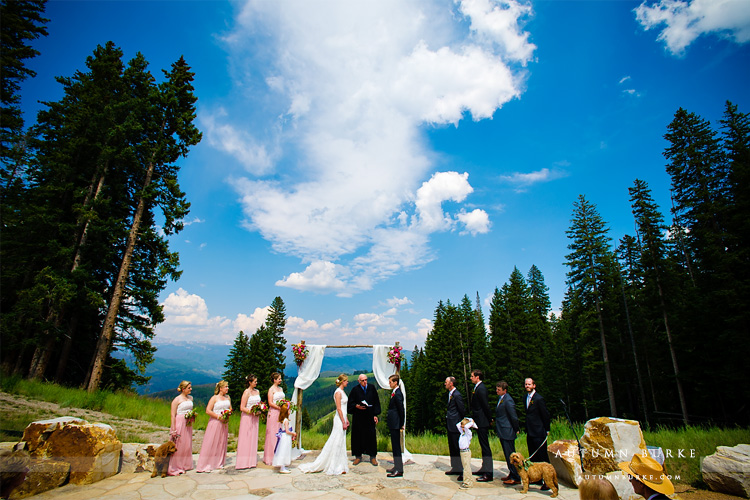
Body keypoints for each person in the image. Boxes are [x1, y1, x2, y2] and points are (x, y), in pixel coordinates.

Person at [300, 374, 350, 475]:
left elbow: (344, 408)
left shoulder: (342, 391)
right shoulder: (338, 393)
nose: (347, 382)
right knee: (336, 439)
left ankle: (340, 464)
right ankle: (334, 464)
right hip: (339, 419)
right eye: (346, 381)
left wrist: (347, 419)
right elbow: (339, 408)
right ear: (342, 381)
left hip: (343, 417)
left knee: (341, 440)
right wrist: (343, 421)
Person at [196, 380, 232, 472]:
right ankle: (207, 463)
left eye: (228, 387)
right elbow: (208, 410)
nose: (227, 388)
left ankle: (218, 462)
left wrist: (228, 414)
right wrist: (218, 417)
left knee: (221, 441)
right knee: (212, 441)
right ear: (220, 388)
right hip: (215, 422)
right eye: (226, 387)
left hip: (224, 423)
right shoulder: (214, 398)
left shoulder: (228, 397)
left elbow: (230, 408)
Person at [347, 373, 381, 466]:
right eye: (362, 380)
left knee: (371, 436)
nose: (365, 382)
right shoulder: (355, 390)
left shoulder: (372, 388)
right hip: (359, 418)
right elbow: (350, 404)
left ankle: (373, 457)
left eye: (366, 380)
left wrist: (375, 414)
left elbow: (376, 401)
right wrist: (356, 406)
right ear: (359, 381)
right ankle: (358, 456)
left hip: (369, 417)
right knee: (358, 436)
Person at [524, 377, 551, 489]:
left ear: (534, 385)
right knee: (533, 457)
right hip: (530, 432)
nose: (527, 386)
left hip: (539, 432)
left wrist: (547, 429)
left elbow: (545, 414)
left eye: (529, 384)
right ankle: (537, 479)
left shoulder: (539, 399)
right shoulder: (525, 397)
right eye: (526, 384)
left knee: (542, 457)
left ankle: (548, 481)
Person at [495, 380, 521, 486]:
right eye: (496, 389)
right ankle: (511, 473)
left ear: (504, 391)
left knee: (511, 454)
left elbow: (513, 416)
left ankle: (516, 477)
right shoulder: (501, 399)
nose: (497, 391)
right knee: (507, 455)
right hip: (502, 430)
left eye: (499, 390)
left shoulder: (508, 400)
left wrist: (516, 428)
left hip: (508, 431)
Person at [469, 369, 493, 481]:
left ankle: (488, 473)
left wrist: (489, 419)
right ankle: (484, 468)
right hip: (479, 420)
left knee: (485, 447)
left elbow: (485, 405)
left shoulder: (481, 389)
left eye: (472, 376)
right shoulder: (477, 387)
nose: (471, 378)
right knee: (483, 446)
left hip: (483, 421)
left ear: (477, 377)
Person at [168, 380, 194, 475]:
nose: (191, 389)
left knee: (186, 444)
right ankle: (175, 466)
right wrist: (173, 428)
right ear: (183, 389)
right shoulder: (177, 400)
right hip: (180, 422)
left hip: (188, 423)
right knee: (179, 444)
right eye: (189, 388)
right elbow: (172, 415)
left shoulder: (190, 398)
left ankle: (185, 464)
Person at [236, 374, 261, 469]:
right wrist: (251, 412)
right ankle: (243, 461)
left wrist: (259, 410)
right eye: (255, 381)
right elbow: (242, 407)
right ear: (250, 382)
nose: (256, 383)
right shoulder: (246, 392)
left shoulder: (257, 391)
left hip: (255, 418)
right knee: (246, 437)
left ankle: (251, 461)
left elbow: (258, 404)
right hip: (247, 417)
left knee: (253, 437)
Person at [445, 376, 465, 478]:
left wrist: (460, 423)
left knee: (457, 447)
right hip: (450, 424)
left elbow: (461, 409)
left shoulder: (457, 395)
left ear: (451, 383)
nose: (445, 384)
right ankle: (455, 467)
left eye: (446, 382)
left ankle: (462, 470)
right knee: (452, 447)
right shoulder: (450, 394)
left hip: (455, 424)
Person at [263, 372, 285, 465]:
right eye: (279, 379)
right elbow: (270, 402)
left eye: (280, 378)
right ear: (274, 380)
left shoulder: (281, 389)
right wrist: (279, 407)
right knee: (273, 433)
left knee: (281, 432)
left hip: (281, 413)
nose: (280, 380)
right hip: (274, 412)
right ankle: (271, 457)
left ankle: (279, 456)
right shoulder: (271, 389)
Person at [386, 374, 405, 478]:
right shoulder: (394, 392)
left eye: (390, 382)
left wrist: (402, 423)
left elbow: (401, 410)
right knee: (394, 446)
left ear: (395, 383)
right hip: (393, 422)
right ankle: (396, 466)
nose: (389, 384)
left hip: (396, 423)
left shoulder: (398, 394)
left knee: (397, 447)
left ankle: (399, 469)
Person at [272, 402, 297, 473]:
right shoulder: (286, 421)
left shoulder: (285, 420)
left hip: (285, 437)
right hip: (285, 437)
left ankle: (283, 465)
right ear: (286, 412)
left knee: (285, 450)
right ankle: (282, 467)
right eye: (289, 410)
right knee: (283, 450)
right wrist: (293, 433)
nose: (290, 412)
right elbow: (287, 431)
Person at [457, 417, 478, 489]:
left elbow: (466, 427)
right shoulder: (462, 433)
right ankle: (468, 481)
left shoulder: (468, 433)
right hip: (462, 452)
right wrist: (465, 419)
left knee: (466, 468)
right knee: (465, 467)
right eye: (462, 427)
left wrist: (471, 421)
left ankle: (467, 483)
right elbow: (457, 425)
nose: (462, 428)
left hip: (466, 452)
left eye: (463, 427)